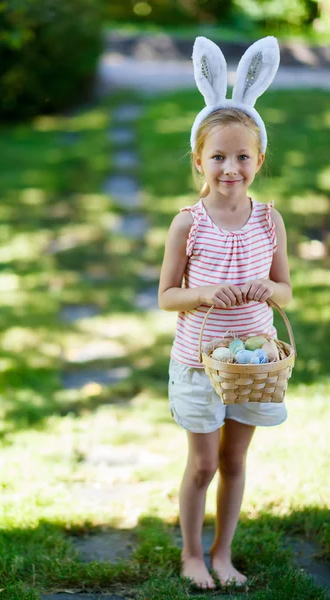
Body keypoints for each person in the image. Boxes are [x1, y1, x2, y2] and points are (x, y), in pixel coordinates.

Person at [158, 37, 292, 590]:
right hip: (199, 362)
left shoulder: (269, 220)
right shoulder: (188, 223)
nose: (230, 167)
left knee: (235, 462)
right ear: (199, 159)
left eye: (242, 156)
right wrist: (204, 294)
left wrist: (267, 288)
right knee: (203, 465)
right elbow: (167, 295)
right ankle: (191, 552)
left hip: (253, 363)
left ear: (259, 160)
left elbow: (285, 291)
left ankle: (222, 552)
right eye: (218, 156)